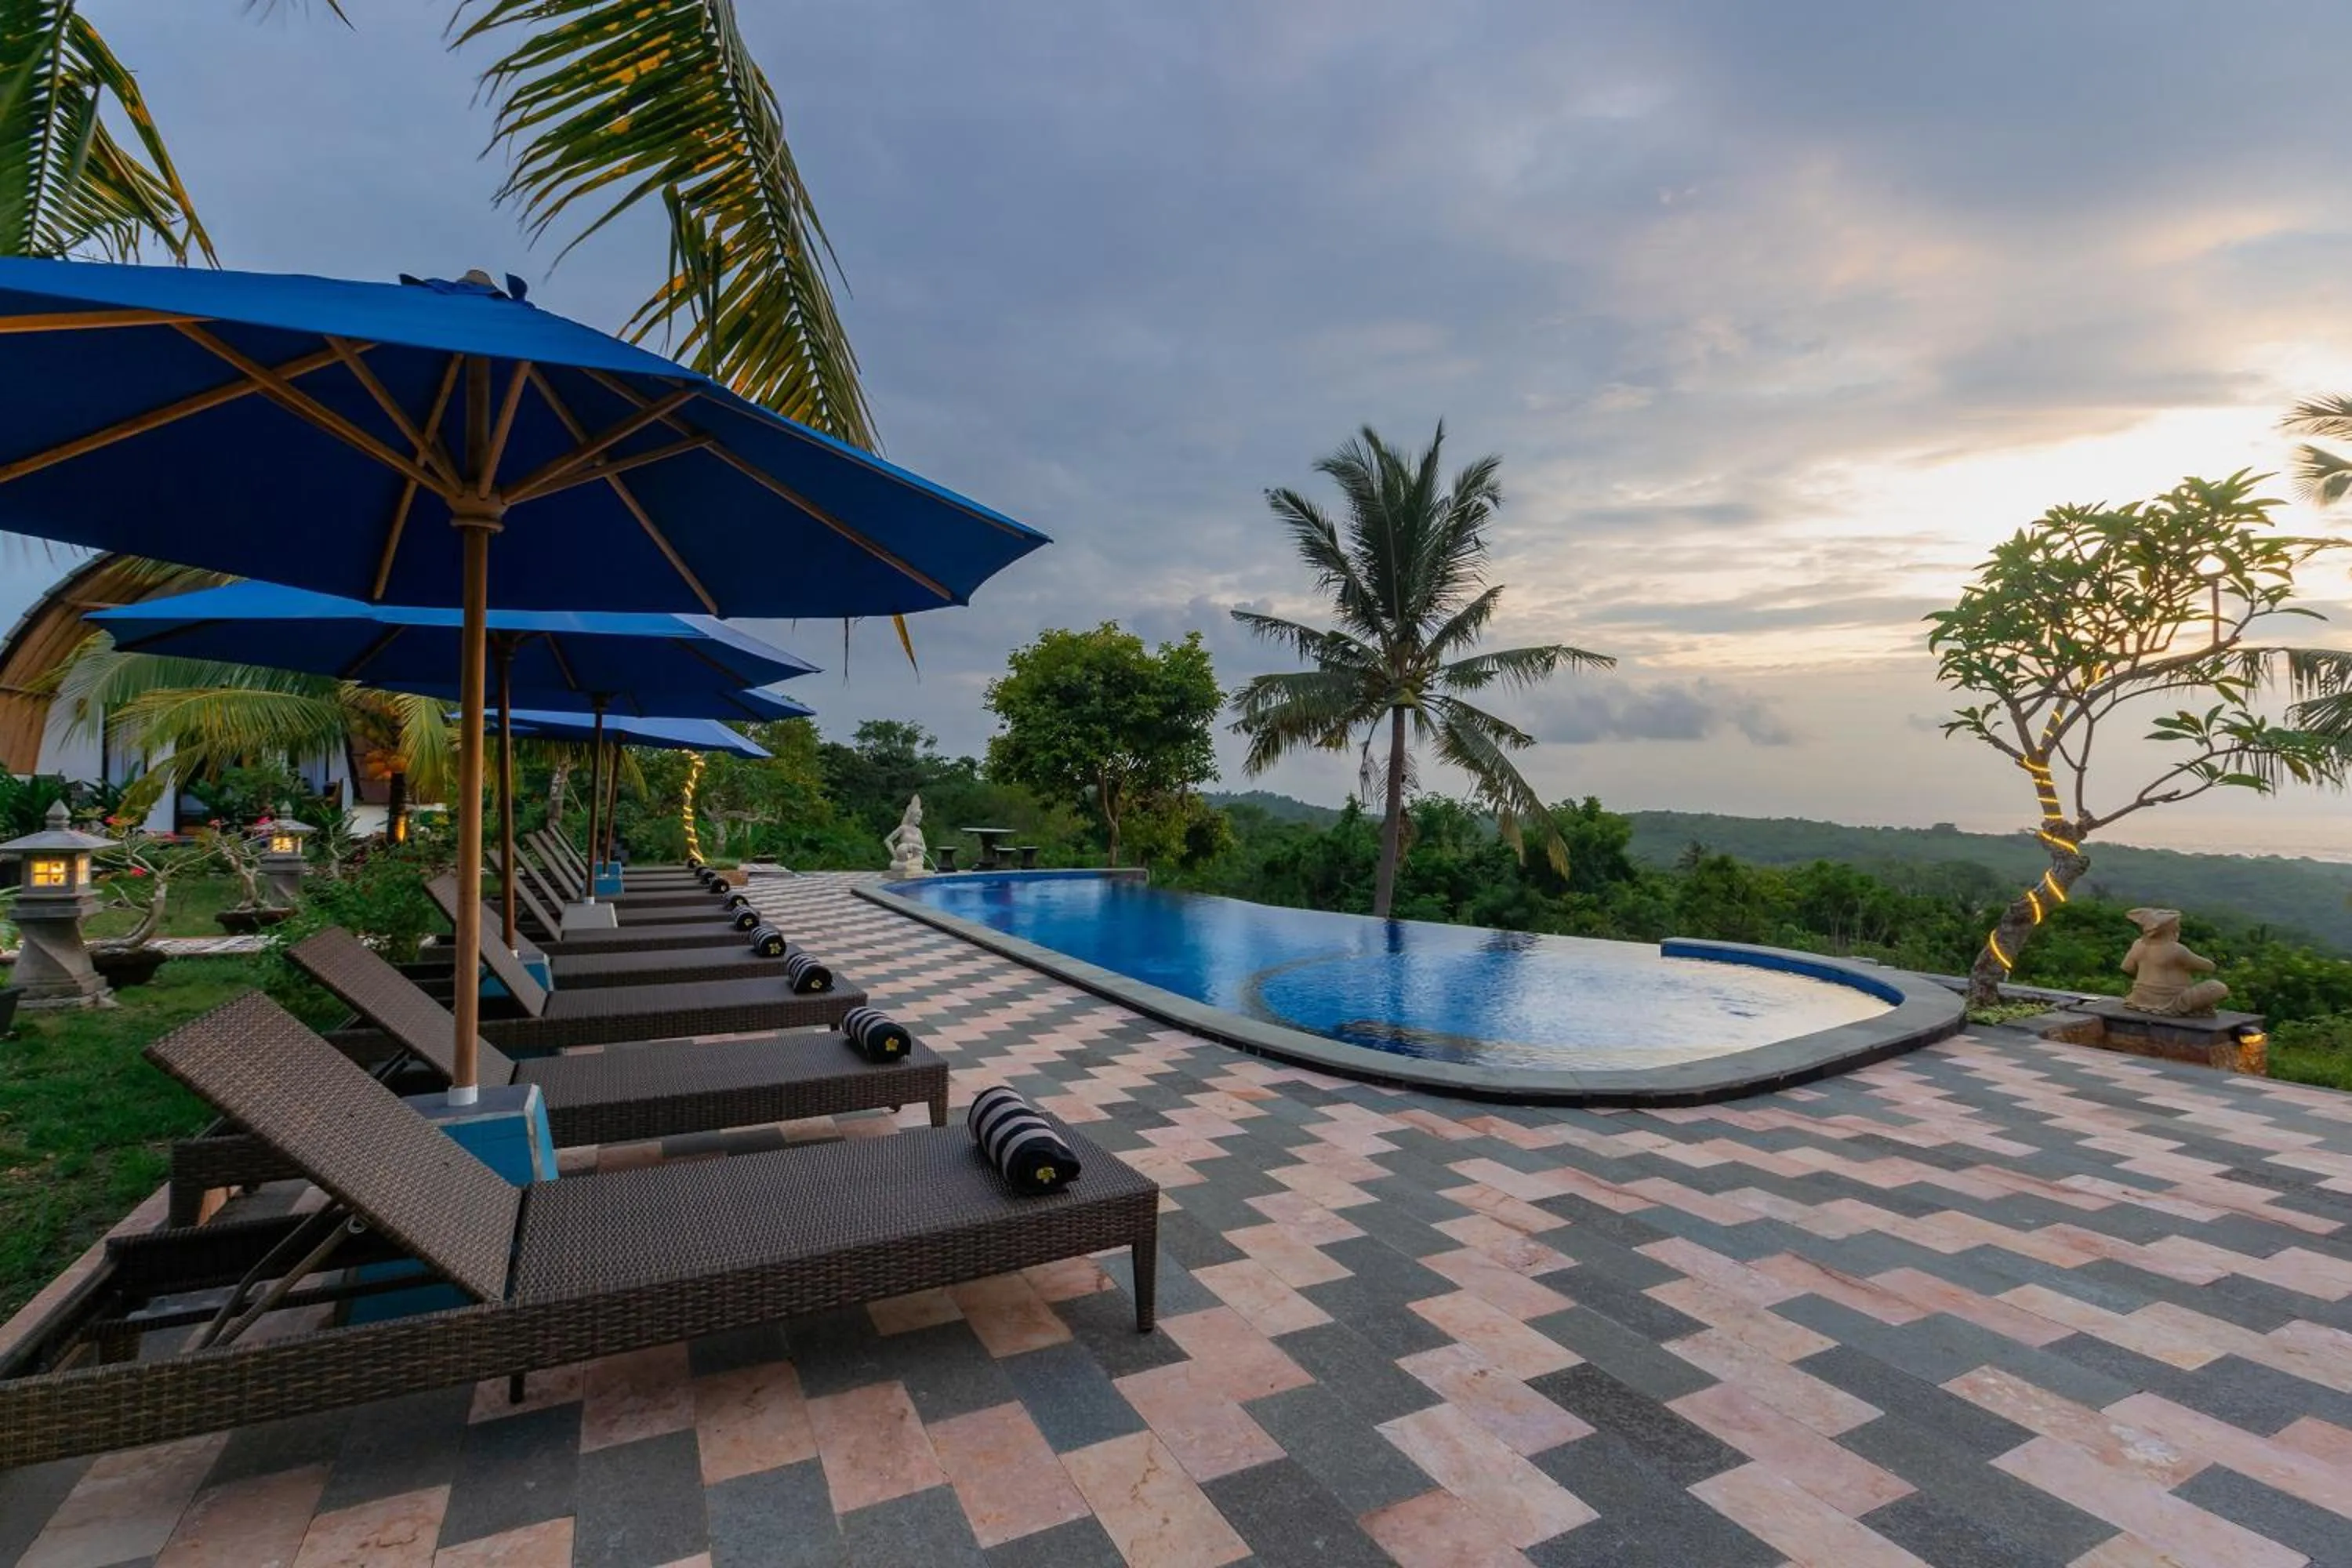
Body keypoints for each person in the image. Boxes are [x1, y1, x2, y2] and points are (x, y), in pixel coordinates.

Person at [2120, 908, 2229, 1016]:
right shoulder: (2176, 949)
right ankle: (2177, 1009)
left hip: (2139, 997)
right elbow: (2209, 967)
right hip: (2173, 1001)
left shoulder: (2138, 944)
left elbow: (2126, 967)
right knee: (2217, 987)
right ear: (2171, 930)